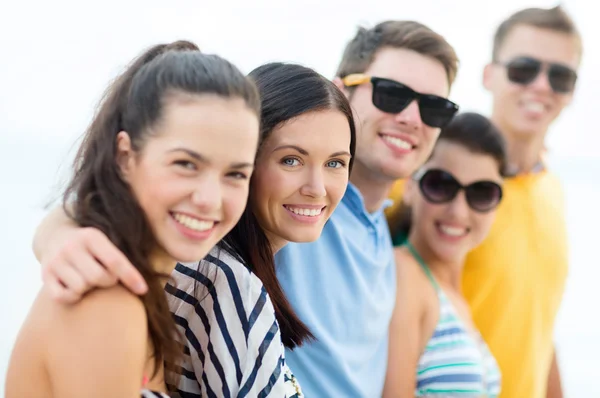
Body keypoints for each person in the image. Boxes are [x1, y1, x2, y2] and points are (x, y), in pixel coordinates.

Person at [33, 20, 459, 396]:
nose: (412, 116)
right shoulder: (239, 250)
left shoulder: (385, 226)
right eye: (391, 93)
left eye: (434, 107)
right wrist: (64, 232)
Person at [30, 62, 356, 397]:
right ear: (125, 156)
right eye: (291, 160)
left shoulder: (166, 278)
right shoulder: (218, 283)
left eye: (335, 163)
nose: (317, 188)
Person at [6, 40, 261, 398]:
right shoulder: (106, 300)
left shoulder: (148, 293)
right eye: (186, 164)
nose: (210, 199)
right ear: (126, 157)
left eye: (235, 174)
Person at [386, 6, 582, 398]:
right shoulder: (426, 185)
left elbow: (540, 330)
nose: (541, 86)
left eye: (560, 76)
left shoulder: (552, 192)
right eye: (524, 69)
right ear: (489, 75)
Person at [383, 112, 507, 397]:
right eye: (440, 185)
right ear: (411, 187)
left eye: (481, 193)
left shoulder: (452, 296)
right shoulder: (404, 274)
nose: (458, 211)